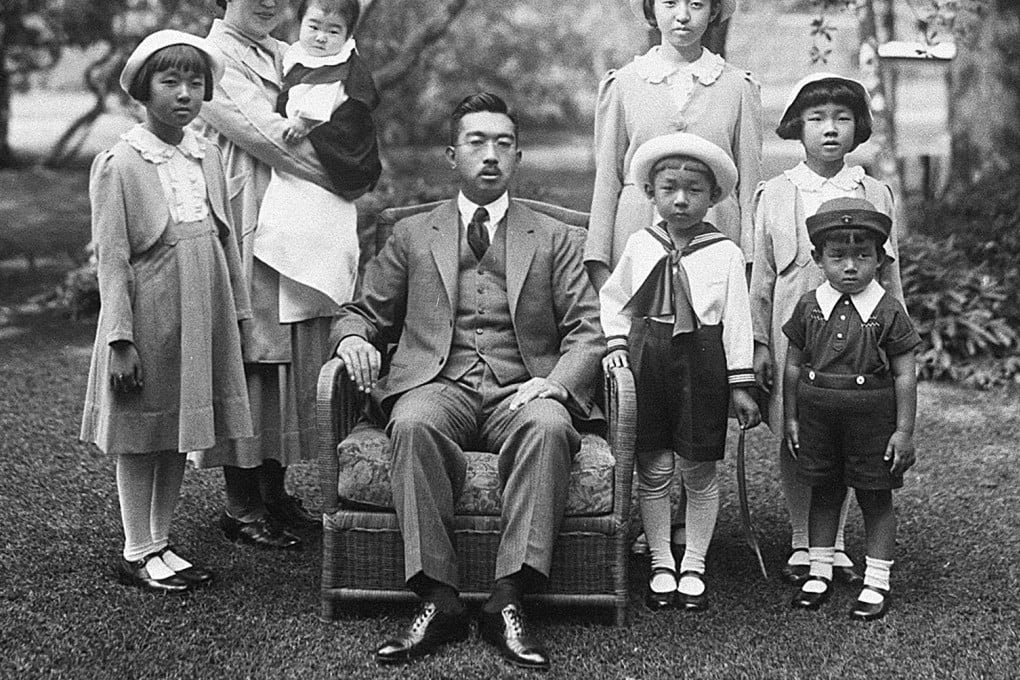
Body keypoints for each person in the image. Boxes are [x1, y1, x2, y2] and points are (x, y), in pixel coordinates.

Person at [332, 93, 604, 670]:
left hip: (521, 388)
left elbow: (587, 330)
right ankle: (439, 596)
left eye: (503, 144)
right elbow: (364, 311)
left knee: (550, 425)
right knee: (411, 421)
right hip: (440, 382)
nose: (490, 155)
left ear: (519, 157)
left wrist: (556, 384)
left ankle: (509, 596)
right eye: (477, 143)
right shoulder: (412, 234)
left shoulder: (552, 236)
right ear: (451, 154)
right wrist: (353, 338)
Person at [80, 30, 253, 592]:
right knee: (142, 428)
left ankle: (160, 541)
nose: (184, 92)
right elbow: (112, 258)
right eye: (170, 80)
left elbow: (226, 244)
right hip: (150, 315)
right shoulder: (121, 163)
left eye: (195, 82)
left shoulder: (203, 154)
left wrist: (240, 317)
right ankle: (136, 548)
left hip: (201, 312)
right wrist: (120, 339)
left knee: (179, 426)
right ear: (142, 88)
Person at [749, 73, 905, 585]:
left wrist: (894, 340)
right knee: (801, 435)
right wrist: (757, 344)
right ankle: (805, 540)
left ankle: (834, 544)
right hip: (794, 333)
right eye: (817, 119)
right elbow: (762, 276)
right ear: (797, 126)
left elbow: (891, 275)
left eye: (842, 118)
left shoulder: (873, 191)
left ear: (858, 127)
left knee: (853, 433)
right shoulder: (774, 193)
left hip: (862, 340)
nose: (830, 129)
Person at [191, 0, 337, 550]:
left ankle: (274, 493)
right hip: (246, 210)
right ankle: (241, 504)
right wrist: (347, 173)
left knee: (290, 352)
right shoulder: (213, 56)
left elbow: (337, 113)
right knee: (252, 353)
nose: (269, 2)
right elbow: (269, 136)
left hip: (295, 218)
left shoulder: (290, 52)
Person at [600, 132, 760, 611]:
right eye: (669, 188)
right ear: (650, 193)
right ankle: (660, 560)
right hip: (650, 355)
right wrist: (615, 344)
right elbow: (614, 300)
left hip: (702, 362)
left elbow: (736, 321)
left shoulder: (725, 253)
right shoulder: (640, 244)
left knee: (697, 465)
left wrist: (741, 384)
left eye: (694, 190)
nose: (681, 199)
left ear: (713, 197)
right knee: (654, 465)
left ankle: (694, 560)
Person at [782, 197, 920, 621]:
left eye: (862, 256)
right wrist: (790, 416)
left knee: (875, 496)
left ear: (880, 259)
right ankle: (819, 570)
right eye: (837, 256)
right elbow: (792, 364)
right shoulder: (809, 305)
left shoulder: (887, 310)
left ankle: (876, 579)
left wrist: (903, 430)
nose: (849, 267)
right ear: (817, 258)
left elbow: (904, 374)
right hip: (818, 417)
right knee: (823, 490)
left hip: (872, 420)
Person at [586, 0, 762, 294]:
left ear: (714, 11)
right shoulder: (624, 83)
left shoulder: (738, 87)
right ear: (651, 9)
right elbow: (606, 180)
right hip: (636, 231)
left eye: (696, 4)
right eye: (669, 3)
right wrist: (599, 262)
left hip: (716, 233)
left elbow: (751, 187)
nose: (682, 16)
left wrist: (750, 263)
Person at [254, 0, 381, 324]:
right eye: (314, 27)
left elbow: (325, 102)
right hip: (303, 163)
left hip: (332, 148)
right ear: (301, 24)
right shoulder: (297, 55)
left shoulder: (340, 67)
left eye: (333, 31)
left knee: (320, 221)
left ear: (348, 34)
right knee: (291, 216)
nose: (321, 38)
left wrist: (302, 124)